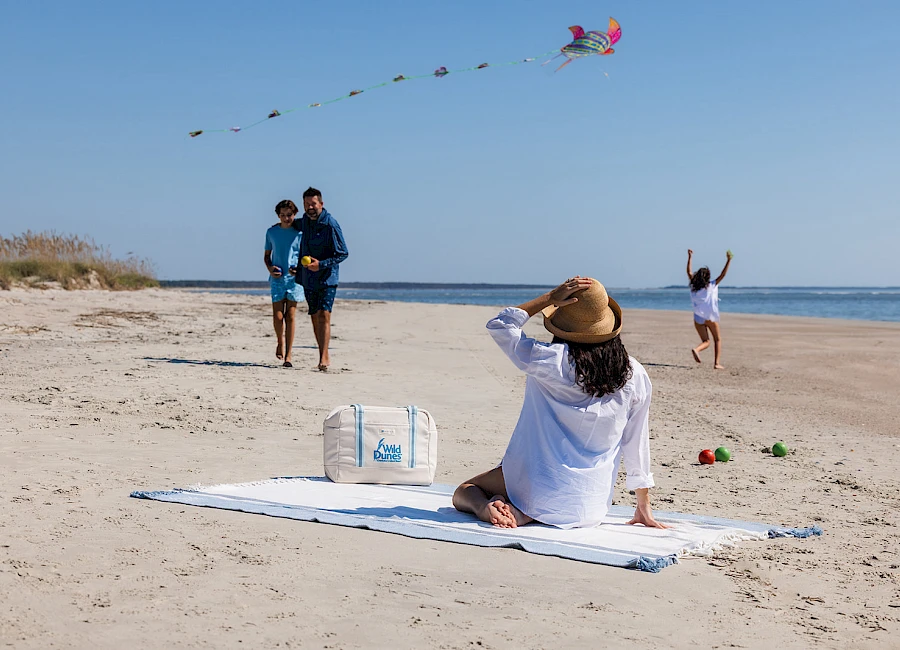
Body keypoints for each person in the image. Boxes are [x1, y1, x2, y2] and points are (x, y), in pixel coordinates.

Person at [452, 277, 667, 530]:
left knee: (466, 491)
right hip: (590, 507)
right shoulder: (634, 373)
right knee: (522, 485)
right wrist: (643, 506)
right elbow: (635, 441)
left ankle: (498, 508)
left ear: (562, 326)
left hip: (535, 488)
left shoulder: (549, 360)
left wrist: (549, 298)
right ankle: (527, 511)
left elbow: (501, 325)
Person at [288, 187, 348, 371]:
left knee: (324, 315)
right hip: (308, 278)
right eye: (306, 204)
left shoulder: (331, 224)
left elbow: (343, 253)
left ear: (321, 204)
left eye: (313, 204)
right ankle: (322, 352)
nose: (310, 207)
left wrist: (320, 264)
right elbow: (291, 225)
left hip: (327, 278)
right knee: (314, 315)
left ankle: (324, 356)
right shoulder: (305, 221)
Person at [264, 200, 303, 368]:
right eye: (283, 215)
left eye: (289, 215)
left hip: (295, 280)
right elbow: (266, 256)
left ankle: (289, 355)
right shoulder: (271, 232)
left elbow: (305, 255)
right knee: (278, 316)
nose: (286, 218)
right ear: (278, 216)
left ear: (294, 215)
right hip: (278, 279)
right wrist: (270, 268)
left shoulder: (300, 233)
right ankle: (280, 341)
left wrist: (300, 269)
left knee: (291, 316)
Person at [687, 249, 733, 369]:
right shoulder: (712, 285)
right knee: (717, 339)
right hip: (710, 317)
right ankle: (716, 363)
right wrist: (728, 260)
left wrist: (690, 257)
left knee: (706, 341)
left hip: (698, 318)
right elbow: (723, 275)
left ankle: (697, 349)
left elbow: (689, 271)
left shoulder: (693, 286)